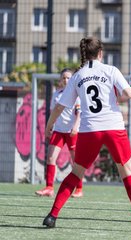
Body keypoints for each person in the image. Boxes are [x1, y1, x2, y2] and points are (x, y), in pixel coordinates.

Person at [42, 36, 131, 232]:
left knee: (76, 173)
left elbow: (60, 106)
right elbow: (129, 93)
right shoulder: (111, 70)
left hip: (89, 131)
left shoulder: (77, 76)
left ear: (84, 54)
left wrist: (49, 125)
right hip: (113, 128)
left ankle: (52, 216)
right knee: (127, 171)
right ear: (100, 53)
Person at [35, 68, 83, 198]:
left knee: (76, 161)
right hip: (58, 131)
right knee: (51, 158)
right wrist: (49, 127)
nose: (66, 80)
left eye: (68, 78)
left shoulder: (76, 94)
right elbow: (53, 113)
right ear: (60, 80)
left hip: (72, 132)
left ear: (72, 79)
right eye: (64, 78)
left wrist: (75, 126)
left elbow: (79, 112)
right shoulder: (57, 94)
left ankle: (79, 189)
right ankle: (49, 188)